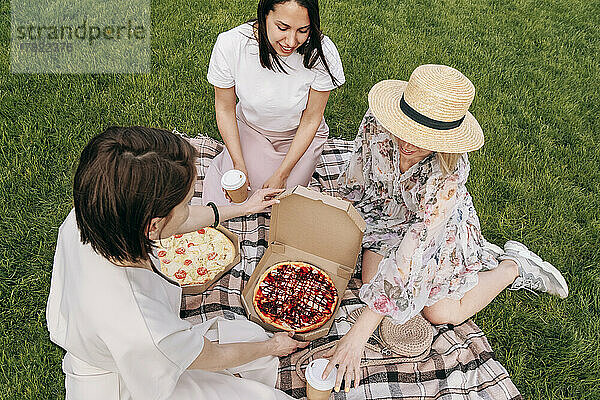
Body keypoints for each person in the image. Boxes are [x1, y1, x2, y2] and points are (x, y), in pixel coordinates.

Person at [322, 65, 569, 393]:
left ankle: (513, 266)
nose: (407, 144)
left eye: (423, 139)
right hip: (388, 212)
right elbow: (355, 178)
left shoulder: (449, 177)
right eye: (403, 128)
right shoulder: (376, 120)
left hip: (435, 234)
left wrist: (356, 336)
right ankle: (488, 258)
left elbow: (417, 245)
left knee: (441, 313)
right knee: (372, 280)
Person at [46, 127, 307, 400]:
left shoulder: (96, 211)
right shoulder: (146, 328)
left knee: (246, 335)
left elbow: (173, 223)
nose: (189, 207)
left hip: (103, 341)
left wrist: (243, 208)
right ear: (153, 226)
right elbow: (213, 356)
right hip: (128, 381)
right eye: (185, 203)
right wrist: (273, 346)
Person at [202, 0, 345, 205]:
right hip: (252, 127)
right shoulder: (231, 44)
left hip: (299, 135)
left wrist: (283, 173)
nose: (291, 41)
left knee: (282, 199)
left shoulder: (323, 51)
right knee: (240, 194)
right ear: (264, 16)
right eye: (282, 28)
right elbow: (224, 109)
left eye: (303, 30)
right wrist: (237, 163)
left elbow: (312, 118)